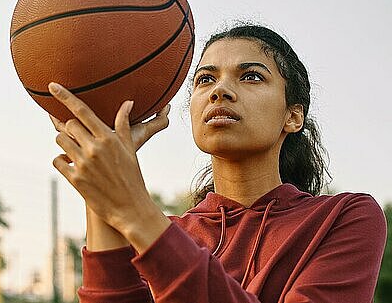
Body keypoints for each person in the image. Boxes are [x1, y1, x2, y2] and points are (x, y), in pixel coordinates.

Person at [47, 24, 386, 303]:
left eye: (251, 76)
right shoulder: (166, 233)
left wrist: (132, 209)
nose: (219, 90)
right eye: (205, 79)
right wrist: (100, 180)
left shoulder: (344, 217)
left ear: (293, 116)